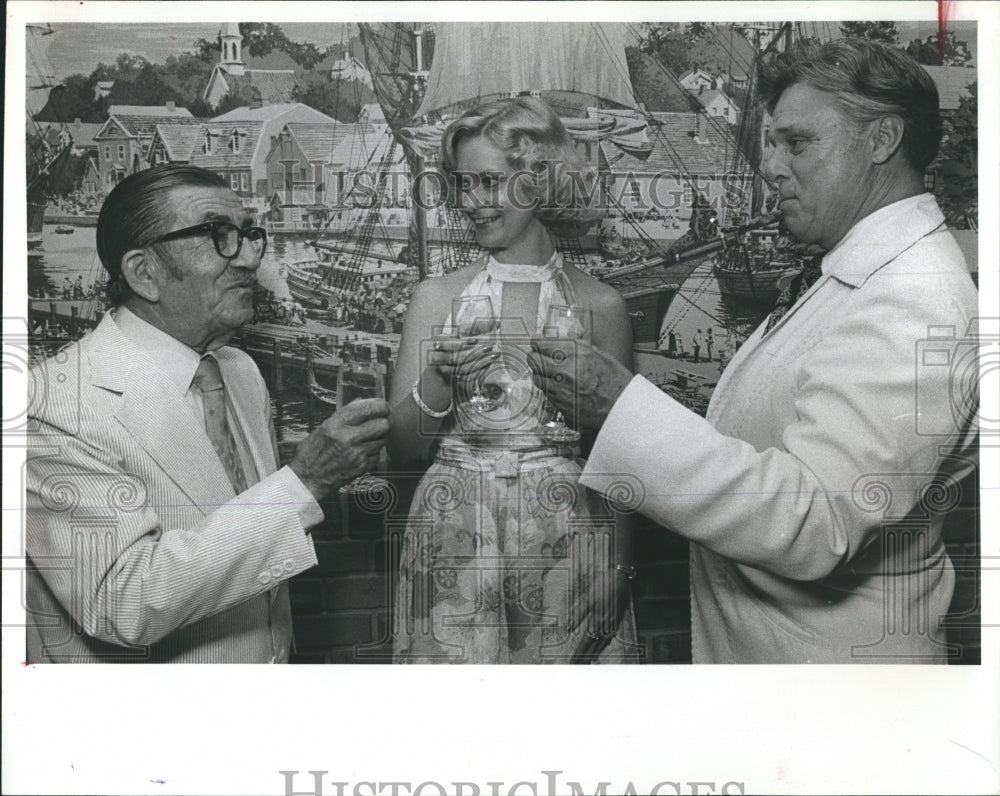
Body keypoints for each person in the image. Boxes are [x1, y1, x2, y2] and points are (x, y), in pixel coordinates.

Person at [529, 39, 978, 664]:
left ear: (882, 141)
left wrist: (618, 407)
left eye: (798, 143)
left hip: (831, 688)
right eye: (772, 143)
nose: (772, 165)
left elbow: (817, 523)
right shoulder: (862, 272)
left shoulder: (911, 296)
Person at [26, 165, 390, 663]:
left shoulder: (238, 372)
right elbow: (124, 601)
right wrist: (303, 482)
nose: (248, 259)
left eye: (246, 235)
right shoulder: (52, 404)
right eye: (219, 236)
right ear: (143, 272)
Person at [388, 97, 639, 663]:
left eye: (489, 182)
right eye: (462, 183)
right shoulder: (438, 297)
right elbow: (402, 451)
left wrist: (620, 561)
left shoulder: (602, 304)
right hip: (453, 526)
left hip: (565, 529)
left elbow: (619, 454)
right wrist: (440, 379)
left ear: (541, 179)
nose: (471, 201)